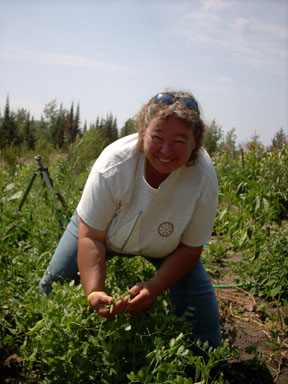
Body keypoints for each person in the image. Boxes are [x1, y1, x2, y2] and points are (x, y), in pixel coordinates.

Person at [40, 90, 222, 349]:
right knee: (53, 284)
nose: (166, 151)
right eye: (157, 137)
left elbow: (191, 249)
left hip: (167, 245)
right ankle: (43, 342)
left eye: (179, 141)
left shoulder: (203, 177)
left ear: (196, 141)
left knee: (201, 306)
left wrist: (155, 287)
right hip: (102, 233)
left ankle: (208, 365)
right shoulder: (114, 164)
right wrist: (93, 291)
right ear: (142, 134)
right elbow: (91, 235)